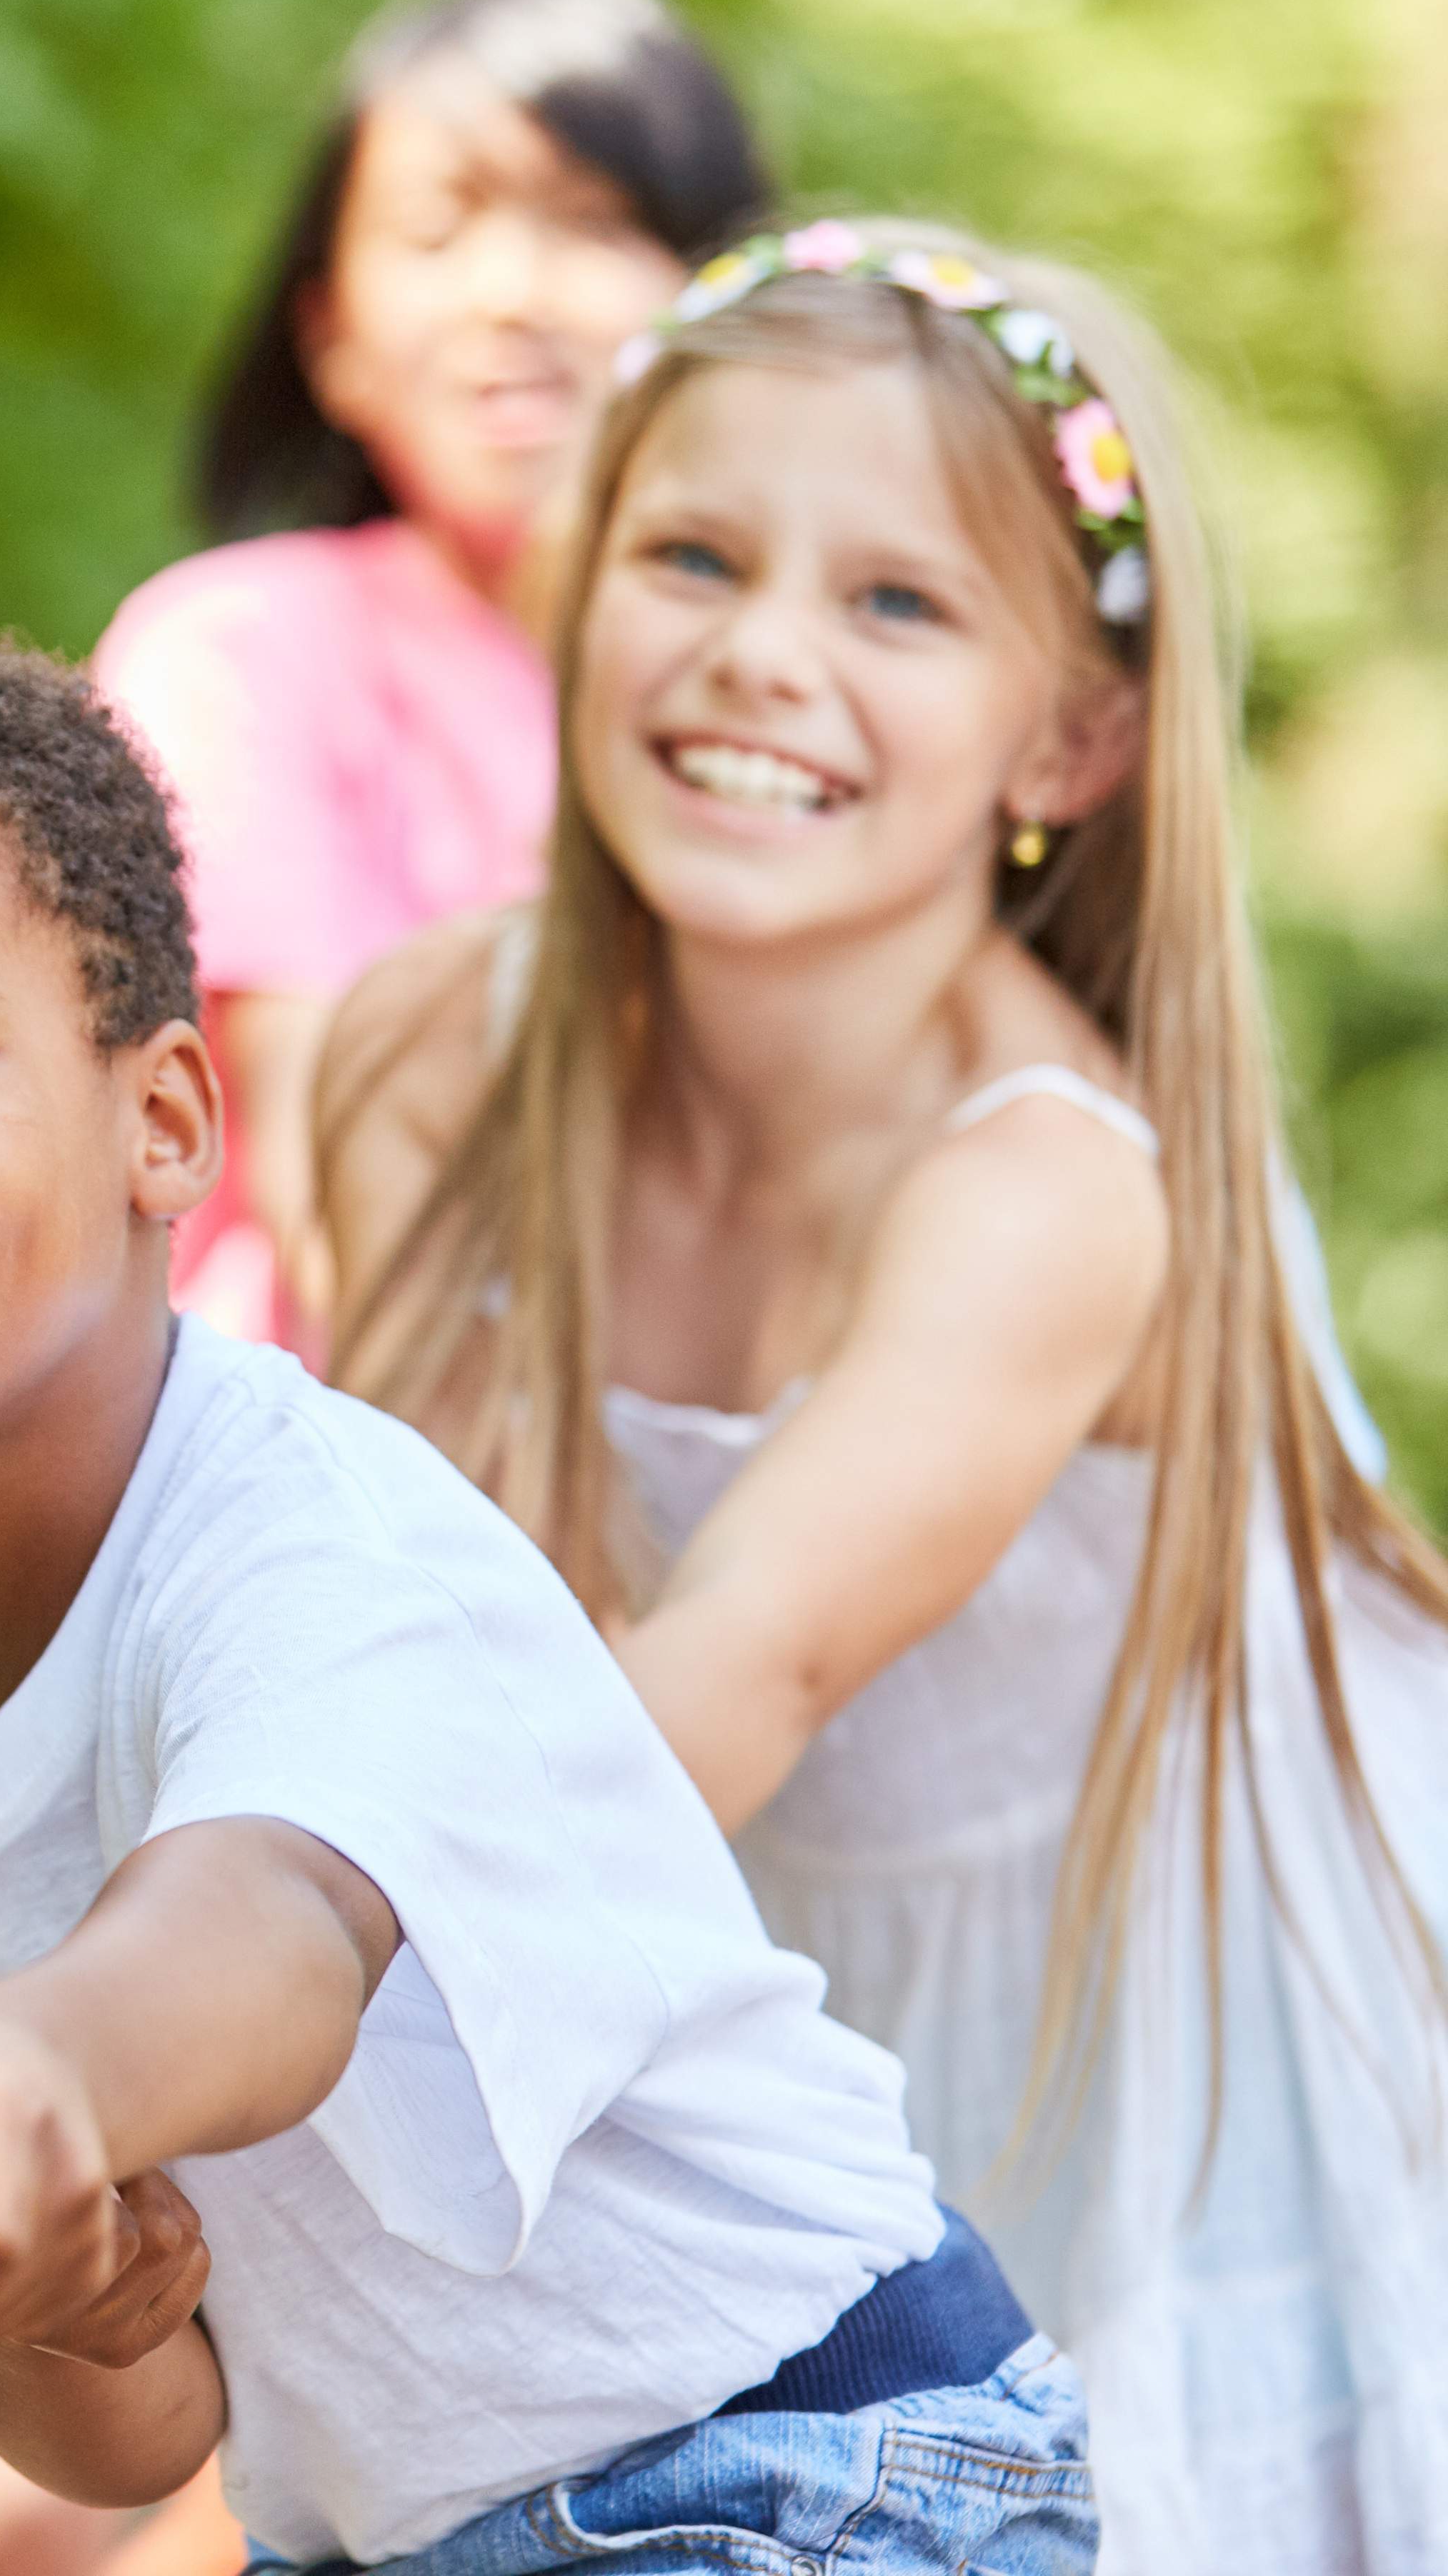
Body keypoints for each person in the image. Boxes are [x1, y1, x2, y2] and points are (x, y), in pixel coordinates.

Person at [0, 600, 1094, 2574]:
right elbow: (142, 2430)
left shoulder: (319, 1539)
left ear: (166, 1123)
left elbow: (275, 1927)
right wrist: (39, 2303)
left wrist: (49, 2065)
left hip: (809, 2472)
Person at [318, 218, 1448, 2565]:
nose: (760, 656)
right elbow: (397, 1640)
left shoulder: (1040, 1189)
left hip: (1171, 2005)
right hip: (754, 1961)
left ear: (1069, 738)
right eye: (693, 555)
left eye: (893, 603)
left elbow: (701, 1701)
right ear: (572, 591)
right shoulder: (426, 1053)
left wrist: (215, 2021)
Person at [102, 0, 761, 1354]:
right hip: (365, 1482)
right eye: (436, 227)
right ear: (332, 337)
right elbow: (338, 1178)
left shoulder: (787, 689)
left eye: (591, 222)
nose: (510, 290)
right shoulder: (237, 655)